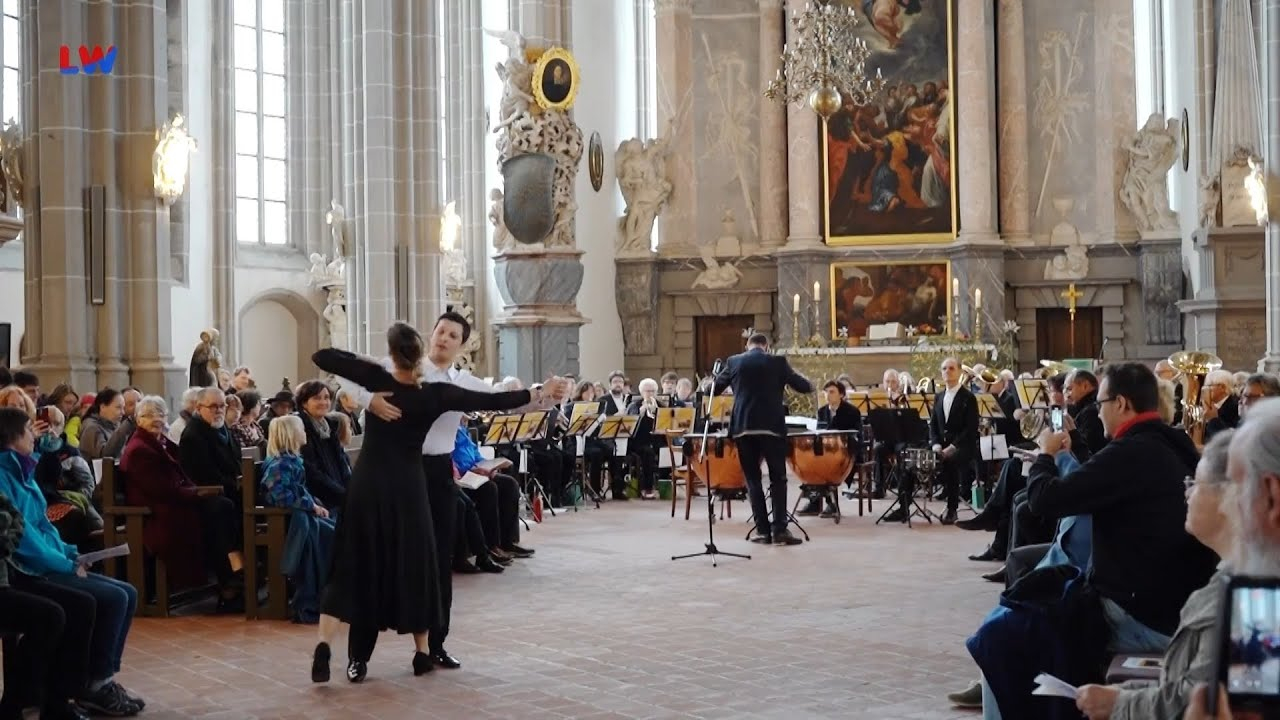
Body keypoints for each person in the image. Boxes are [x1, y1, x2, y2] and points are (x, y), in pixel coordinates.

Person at [309, 323, 556, 685]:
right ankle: (412, 653)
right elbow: (496, 402)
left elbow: (323, 357)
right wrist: (540, 392)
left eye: (452, 335)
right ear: (423, 344)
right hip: (409, 484)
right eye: (440, 333)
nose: (443, 339)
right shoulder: (437, 393)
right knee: (417, 561)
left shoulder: (377, 375)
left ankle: (336, 647)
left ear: (393, 353)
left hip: (372, 483)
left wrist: (366, 372)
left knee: (360, 561)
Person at [1073, 429, 1234, 720]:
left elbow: (1198, 698)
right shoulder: (1226, 579)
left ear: (1237, 497)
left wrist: (1120, 703)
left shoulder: (1243, 595)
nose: (1186, 492)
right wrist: (1125, 694)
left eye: (1196, 483)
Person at [0, 407, 143, 716]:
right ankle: (83, 687)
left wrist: (69, 552)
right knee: (101, 599)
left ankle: (99, 679)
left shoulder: (23, 471)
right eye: (29, 430)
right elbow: (23, 539)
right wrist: (64, 564)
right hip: (27, 570)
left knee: (126, 593)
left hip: (47, 560)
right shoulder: (4, 476)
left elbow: (42, 525)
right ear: (12, 438)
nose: (35, 436)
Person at [713, 333, 813, 546]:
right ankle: (779, 531)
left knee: (752, 479)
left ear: (747, 346)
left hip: (743, 428)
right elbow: (804, 387)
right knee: (778, 478)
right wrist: (805, 380)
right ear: (766, 347)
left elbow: (713, 389)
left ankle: (762, 531)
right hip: (771, 428)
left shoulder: (733, 361)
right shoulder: (778, 362)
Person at [799, 380, 863, 517]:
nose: (828, 395)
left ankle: (829, 504)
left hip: (846, 452)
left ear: (841, 394)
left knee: (826, 466)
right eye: (826, 392)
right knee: (810, 463)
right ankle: (818, 502)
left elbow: (856, 435)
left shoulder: (852, 411)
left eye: (832, 392)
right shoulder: (822, 411)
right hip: (826, 451)